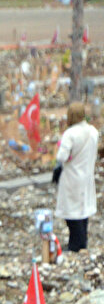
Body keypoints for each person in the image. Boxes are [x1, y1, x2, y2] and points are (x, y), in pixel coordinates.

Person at [54, 102, 98, 253]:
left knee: (72, 214)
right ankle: (82, 242)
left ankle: (76, 244)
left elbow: (62, 157)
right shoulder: (93, 131)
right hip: (87, 176)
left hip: (72, 177)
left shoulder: (70, 133)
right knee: (83, 211)